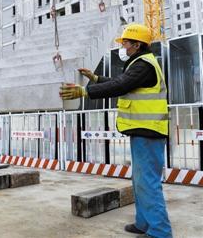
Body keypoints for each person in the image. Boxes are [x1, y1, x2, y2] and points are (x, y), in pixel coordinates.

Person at [60, 23, 172, 238]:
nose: (124, 47)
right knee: (140, 181)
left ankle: (160, 232)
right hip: (142, 130)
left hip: (148, 130)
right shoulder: (139, 64)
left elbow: (121, 85)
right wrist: (95, 79)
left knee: (148, 182)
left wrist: (85, 91)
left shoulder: (143, 65)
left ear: (137, 45)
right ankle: (144, 224)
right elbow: (123, 83)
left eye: (126, 43)